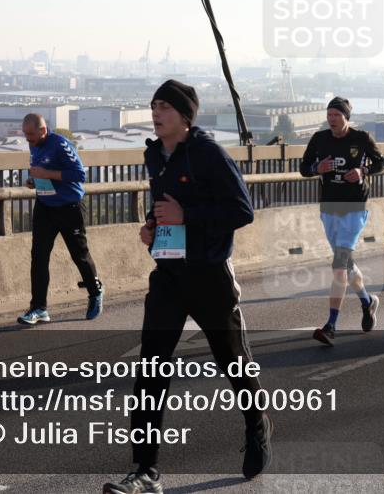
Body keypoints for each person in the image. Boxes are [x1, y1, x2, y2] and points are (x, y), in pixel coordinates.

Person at [104, 80, 271, 494]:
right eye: (153, 106)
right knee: (151, 370)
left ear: (184, 115)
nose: (156, 113)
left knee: (233, 363)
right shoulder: (154, 155)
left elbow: (242, 211)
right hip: (169, 275)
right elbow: (165, 209)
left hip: (210, 275)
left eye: (164, 107)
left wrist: (186, 216)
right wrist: (152, 229)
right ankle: (145, 470)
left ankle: (257, 424)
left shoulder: (208, 153)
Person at [300, 96, 384, 346]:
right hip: (329, 208)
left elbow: (381, 163)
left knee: (338, 265)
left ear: (346, 117)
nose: (332, 119)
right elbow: (304, 168)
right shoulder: (320, 139)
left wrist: (363, 171)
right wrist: (317, 168)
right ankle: (367, 302)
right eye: (329, 115)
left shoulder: (361, 138)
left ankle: (331, 326)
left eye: (336, 115)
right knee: (346, 265)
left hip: (354, 209)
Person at [17, 114, 103, 325]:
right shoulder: (34, 144)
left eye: (31, 134)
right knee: (38, 257)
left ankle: (95, 292)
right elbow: (41, 172)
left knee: (79, 255)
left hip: (69, 207)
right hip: (45, 206)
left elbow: (79, 175)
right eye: (25, 134)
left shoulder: (61, 144)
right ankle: (39, 308)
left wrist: (46, 174)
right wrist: (34, 180)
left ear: (43, 130)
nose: (28, 139)